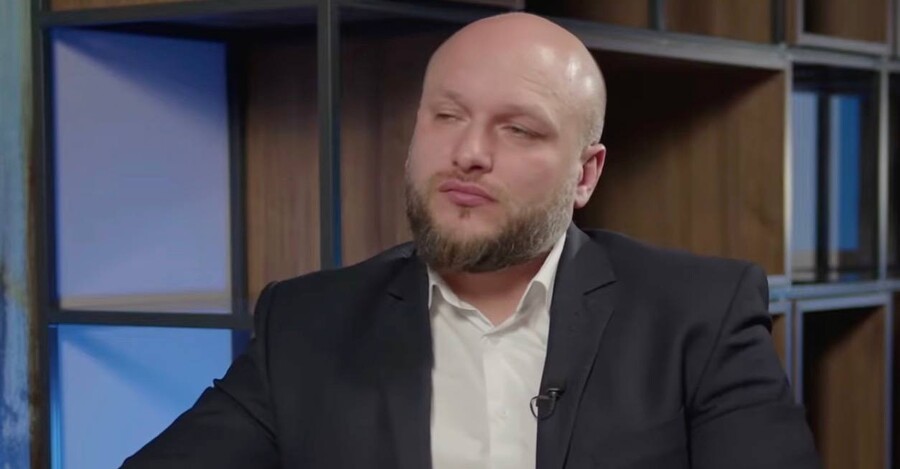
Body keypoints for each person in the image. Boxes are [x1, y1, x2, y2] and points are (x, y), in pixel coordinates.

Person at [123, 12, 820, 469]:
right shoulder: (306, 323)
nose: (469, 152)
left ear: (585, 174)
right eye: (447, 116)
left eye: (518, 129)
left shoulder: (699, 314)